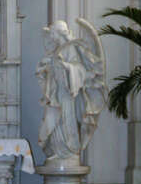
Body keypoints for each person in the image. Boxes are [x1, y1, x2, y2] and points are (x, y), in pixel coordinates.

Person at [36, 19, 106, 164]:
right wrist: (45, 68)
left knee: (65, 120)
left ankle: (67, 151)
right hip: (56, 93)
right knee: (54, 121)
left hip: (68, 94)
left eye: (52, 33)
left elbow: (80, 68)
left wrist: (66, 67)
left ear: (57, 33)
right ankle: (57, 150)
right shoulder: (56, 51)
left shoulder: (71, 47)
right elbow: (50, 72)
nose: (51, 37)